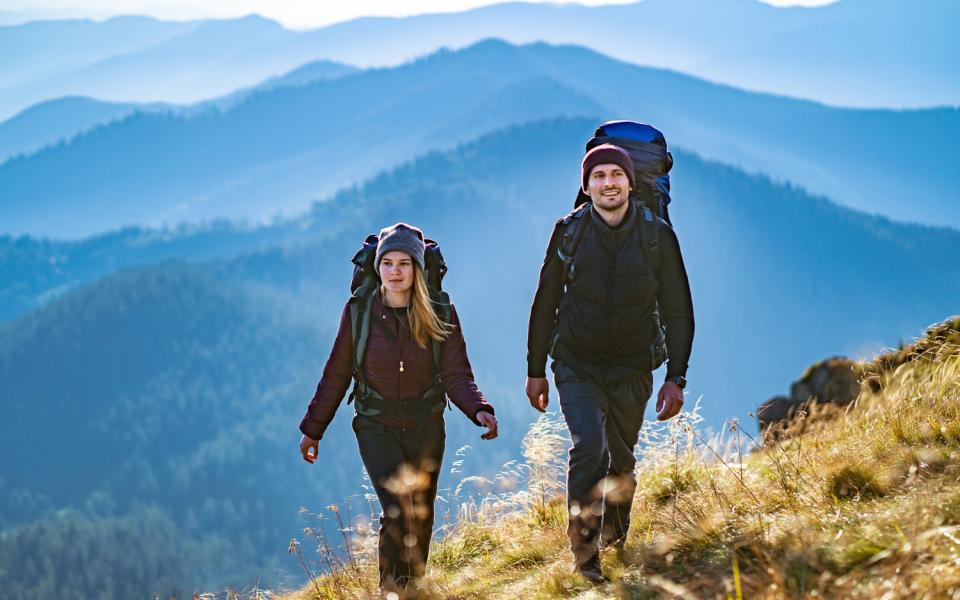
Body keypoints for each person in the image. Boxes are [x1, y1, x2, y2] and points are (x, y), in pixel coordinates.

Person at [525, 143, 694, 582]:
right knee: (589, 448)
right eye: (597, 176)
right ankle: (585, 557)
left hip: (633, 367)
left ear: (630, 182)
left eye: (615, 175)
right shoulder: (569, 231)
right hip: (576, 363)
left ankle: (615, 542)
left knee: (621, 461)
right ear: (586, 186)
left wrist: (676, 376)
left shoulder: (657, 235)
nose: (608, 183)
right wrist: (535, 369)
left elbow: (678, 309)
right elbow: (545, 302)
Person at [299, 223, 498, 591]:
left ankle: (413, 588)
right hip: (377, 425)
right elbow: (337, 373)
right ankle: (391, 589)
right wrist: (313, 429)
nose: (394, 271)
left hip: (426, 424)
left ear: (418, 268)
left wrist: (478, 409)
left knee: (419, 513)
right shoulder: (360, 312)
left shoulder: (440, 310)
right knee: (397, 509)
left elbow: (456, 373)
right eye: (387, 262)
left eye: (404, 263)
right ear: (376, 267)